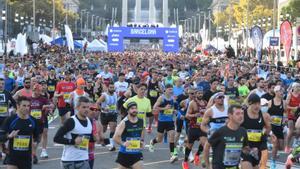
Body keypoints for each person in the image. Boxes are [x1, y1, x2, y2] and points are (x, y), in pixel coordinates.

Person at [203, 105, 249, 169]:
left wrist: (251, 150)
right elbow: (206, 146)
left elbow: (245, 148)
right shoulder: (221, 131)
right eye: (237, 114)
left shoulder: (243, 131)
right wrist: (208, 165)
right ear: (230, 115)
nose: (241, 116)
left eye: (242, 113)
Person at [54, 96, 93, 169]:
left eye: (88, 107)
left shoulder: (89, 121)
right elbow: (56, 138)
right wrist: (73, 141)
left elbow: (87, 138)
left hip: (84, 160)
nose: (86, 109)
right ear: (77, 108)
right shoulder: (71, 121)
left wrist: (101, 139)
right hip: (70, 161)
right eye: (84, 107)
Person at [0, 97, 39, 169]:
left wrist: (35, 144)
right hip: (12, 157)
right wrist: (9, 136)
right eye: (24, 105)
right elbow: (1, 136)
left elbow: (37, 136)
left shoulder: (33, 121)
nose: (27, 108)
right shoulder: (10, 120)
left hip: (26, 158)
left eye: (28, 106)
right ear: (18, 106)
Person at [240, 93, 271, 169]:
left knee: (256, 167)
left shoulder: (264, 115)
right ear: (249, 104)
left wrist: (264, 135)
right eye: (254, 104)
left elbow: (268, 128)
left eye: (258, 104)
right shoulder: (242, 114)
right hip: (245, 148)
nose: (257, 106)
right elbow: (235, 128)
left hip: (258, 148)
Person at [148, 84, 178, 163]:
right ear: (165, 90)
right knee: (159, 139)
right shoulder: (161, 98)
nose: (171, 91)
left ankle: (172, 155)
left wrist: (174, 111)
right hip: (162, 121)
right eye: (169, 89)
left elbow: (172, 108)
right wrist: (164, 108)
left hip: (170, 121)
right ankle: (152, 142)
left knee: (172, 136)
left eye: (172, 89)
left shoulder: (172, 98)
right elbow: (154, 107)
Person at [113, 102, 144, 169]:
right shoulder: (124, 122)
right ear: (128, 111)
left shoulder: (141, 121)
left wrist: (141, 141)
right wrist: (123, 144)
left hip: (137, 154)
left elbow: (141, 132)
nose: (134, 110)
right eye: (132, 109)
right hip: (125, 154)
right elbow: (115, 137)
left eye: (136, 108)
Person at [182, 88, 207, 169]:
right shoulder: (192, 103)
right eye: (199, 93)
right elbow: (187, 115)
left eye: (201, 93)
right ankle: (185, 161)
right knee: (189, 145)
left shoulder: (205, 102)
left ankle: (197, 155)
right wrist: (194, 115)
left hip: (202, 127)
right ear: (196, 94)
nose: (200, 95)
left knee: (204, 143)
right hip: (193, 127)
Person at [267, 85, 286, 169]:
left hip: (280, 126)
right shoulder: (270, 102)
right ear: (276, 92)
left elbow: (285, 113)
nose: (282, 92)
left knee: (281, 147)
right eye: (280, 91)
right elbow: (265, 114)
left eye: (283, 91)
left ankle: (269, 146)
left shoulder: (284, 102)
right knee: (275, 145)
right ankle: (273, 162)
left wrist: (285, 120)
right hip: (272, 126)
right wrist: (269, 119)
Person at [96, 82, 118, 151]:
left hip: (113, 114)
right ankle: (100, 139)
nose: (112, 89)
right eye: (110, 87)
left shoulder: (115, 94)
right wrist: (103, 108)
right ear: (108, 88)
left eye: (113, 87)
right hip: (105, 114)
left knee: (113, 129)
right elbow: (97, 103)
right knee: (104, 130)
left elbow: (115, 103)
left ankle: (112, 145)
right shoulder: (104, 95)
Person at [285, 83, 300, 153]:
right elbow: (286, 106)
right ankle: (287, 146)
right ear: (293, 88)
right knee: (291, 131)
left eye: (299, 86)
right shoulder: (289, 95)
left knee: (298, 131)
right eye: (296, 86)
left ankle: (295, 143)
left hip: (297, 115)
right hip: (290, 115)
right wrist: (294, 108)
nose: (298, 88)